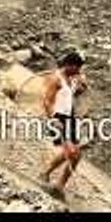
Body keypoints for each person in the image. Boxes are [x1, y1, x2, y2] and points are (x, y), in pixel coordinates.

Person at [40, 51, 88, 200]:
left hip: (69, 117)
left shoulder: (72, 78)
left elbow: (74, 95)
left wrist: (81, 87)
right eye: (77, 68)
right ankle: (55, 182)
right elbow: (47, 101)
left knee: (76, 154)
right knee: (72, 151)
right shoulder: (56, 79)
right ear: (69, 65)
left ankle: (54, 180)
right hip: (58, 117)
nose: (79, 71)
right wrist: (53, 119)